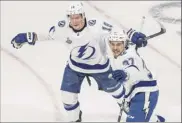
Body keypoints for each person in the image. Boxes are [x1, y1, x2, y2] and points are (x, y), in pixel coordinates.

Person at [11, 1, 148, 122]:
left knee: (116, 90)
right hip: (74, 67)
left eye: (77, 17)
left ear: (83, 16)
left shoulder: (97, 26)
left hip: (100, 67)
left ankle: (123, 102)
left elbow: (117, 31)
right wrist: (26, 37)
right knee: (67, 99)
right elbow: (48, 35)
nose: (75, 21)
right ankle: (75, 119)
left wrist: (133, 35)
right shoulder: (62, 27)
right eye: (72, 18)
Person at [108, 31, 165, 122]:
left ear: (124, 44)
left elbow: (132, 68)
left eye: (118, 44)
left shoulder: (129, 57)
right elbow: (127, 33)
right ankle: (154, 120)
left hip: (145, 92)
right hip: (133, 93)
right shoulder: (128, 47)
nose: (115, 48)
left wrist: (126, 74)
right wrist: (133, 34)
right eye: (112, 44)